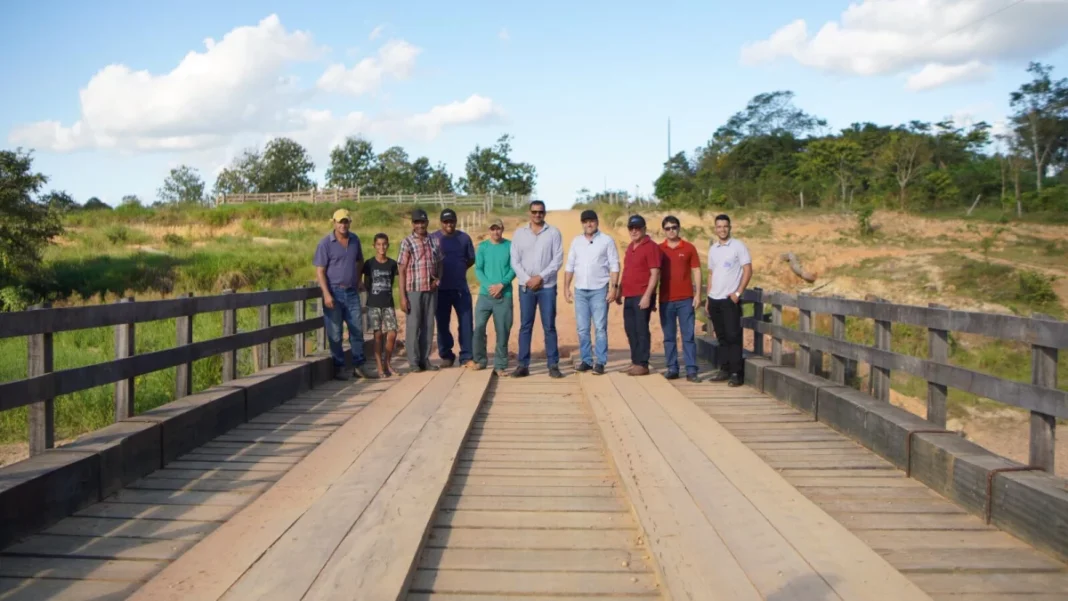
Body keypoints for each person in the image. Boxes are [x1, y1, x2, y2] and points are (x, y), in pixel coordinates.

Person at [313, 208, 371, 379]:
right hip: (334, 292)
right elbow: (320, 271)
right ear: (334, 223)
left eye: (346, 221)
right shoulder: (325, 244)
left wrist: (359, 279)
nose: (343, 225)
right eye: (340, 222)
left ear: (349, 222)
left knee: (357, 330)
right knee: (335, 332)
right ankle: (339, 367)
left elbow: (360, 260)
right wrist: (326, 294)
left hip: (352, 292)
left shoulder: (355, 240)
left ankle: (359, 365)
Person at [510, 200, 564, 379]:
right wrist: (527, 279)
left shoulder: (554, 233)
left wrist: (540, 277)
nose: (537, 215)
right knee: (525, 325)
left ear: (545, 213)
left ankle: (553, 364)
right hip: (526, 287)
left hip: (547, 286)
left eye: (540, 212)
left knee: (549, 326)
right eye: (534, 212)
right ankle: (523, 365)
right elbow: (514, 261)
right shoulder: (519, 234)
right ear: (529, 213)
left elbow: (557, 259)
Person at [564, 209, 619, 375]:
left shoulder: (606, 241)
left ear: (597, 222)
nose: (589, 224)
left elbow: (614, 265)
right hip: (580, 289)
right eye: (585, 221)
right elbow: (570, 265)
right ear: (582, 223)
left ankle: (600, 362)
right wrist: (566, 287)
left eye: (592, 221)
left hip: (599, 289)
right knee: (582, 328)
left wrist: (614, 288)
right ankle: (586, 360)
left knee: (600, 327)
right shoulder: (576, 241)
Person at [705, 213, 752, 387]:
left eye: (725, 226)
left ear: (730, 227)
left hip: (729, 300)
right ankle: (724, 369)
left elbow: (747, 270)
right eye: (719, 226)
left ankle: (736, 373)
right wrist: (708, 299)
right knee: (722, 337)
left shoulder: (738, 246)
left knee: (733, 336)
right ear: (715, 229)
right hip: (715, 298)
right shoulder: (713, 249)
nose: (722, 229)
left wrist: (738, 292)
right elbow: (711, 274)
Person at [398, 208, 443, 372]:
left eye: (422, 222)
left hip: (430, 290)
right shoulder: (407, 242)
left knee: (429, 325)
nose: (420, 225)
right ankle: (413, 362)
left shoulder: (434, 240)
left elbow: (440, 262)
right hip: (414, 289)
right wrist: (402, 297)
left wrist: (438, 279)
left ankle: (425, 360)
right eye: (417, 222)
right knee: (413, 325)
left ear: (427, 223)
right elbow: (401, 270)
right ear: (412, 224)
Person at [616, 215, 662, 376]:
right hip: (629, 294)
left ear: (644, 229)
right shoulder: (630, 247)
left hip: (642, 295)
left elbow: (655, 273)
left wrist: (647, 296)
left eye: (637, 228)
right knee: (630, 329)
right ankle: (635, 361)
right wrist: (620, 291)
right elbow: (627, 271)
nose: (634, 231)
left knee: (641, 329)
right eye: (631, 228)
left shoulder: (651, 247)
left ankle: (643, 363)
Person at [658, 215, 702, 382]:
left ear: (679, 228)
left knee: (688, 335)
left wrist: (698, 294)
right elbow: (653, 274)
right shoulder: (659, 249)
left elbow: (697, 270)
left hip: (685, 299)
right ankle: (672, 368)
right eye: (668, 228)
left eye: (674, 227)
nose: (671, 230)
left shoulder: (689, 248)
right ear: (664, 230)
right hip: (666, 299)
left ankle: (691, 370)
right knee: (669, 336)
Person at [430, 208, 477, 368]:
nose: (449, 224)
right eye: (446, 221)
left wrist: (459, 269)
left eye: (451, 221)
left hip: (460, 288)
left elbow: (471, 259)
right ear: (441, 222)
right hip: (441, 289)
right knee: (442, 324)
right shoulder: (433, 238)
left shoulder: (464, 238)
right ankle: (446, 355)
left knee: (466, 322)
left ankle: (467, 356)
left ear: (456, 221)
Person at [473, 218, 516, 375]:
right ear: (488, 230)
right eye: (492, 229)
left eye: (498, 228)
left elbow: (514, 268)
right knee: (478, 328)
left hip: (504, 295)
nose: (495, 232)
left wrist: (501, 285)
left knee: (503, 330)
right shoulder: (483, 247)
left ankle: (500, 365)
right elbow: (478, 269)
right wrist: (489, 286)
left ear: (502, 229)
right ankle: (480, 360)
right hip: (485, 295)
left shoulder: (510, 246)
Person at [362, 233, 399, 378]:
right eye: (378, 244)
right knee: (377, 335)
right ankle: (379, 367)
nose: (381, 247)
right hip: (374, 304)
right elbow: (366, 283)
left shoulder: (392, 264)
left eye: (384, 244)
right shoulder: (369, 264)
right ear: (374, 246)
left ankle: (387, 363)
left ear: (388, 245)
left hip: (388, 303)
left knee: (392, 333)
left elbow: (393, 282)